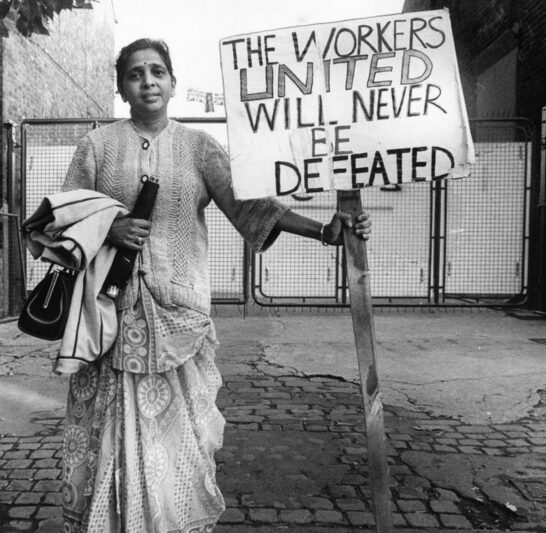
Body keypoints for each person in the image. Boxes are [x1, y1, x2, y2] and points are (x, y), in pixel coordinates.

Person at [58, 38, 371, 532]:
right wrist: (108, 227)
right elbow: (59, 222)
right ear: (122, 87)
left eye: (158, 71)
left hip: (179, 318)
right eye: (136, 73)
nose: (148, 81)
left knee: (182, 442)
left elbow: (252, 206)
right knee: (109, 438)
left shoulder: (199, 148)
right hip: (109, 317)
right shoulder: (95, 148)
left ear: (173, 83)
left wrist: (324, 232)